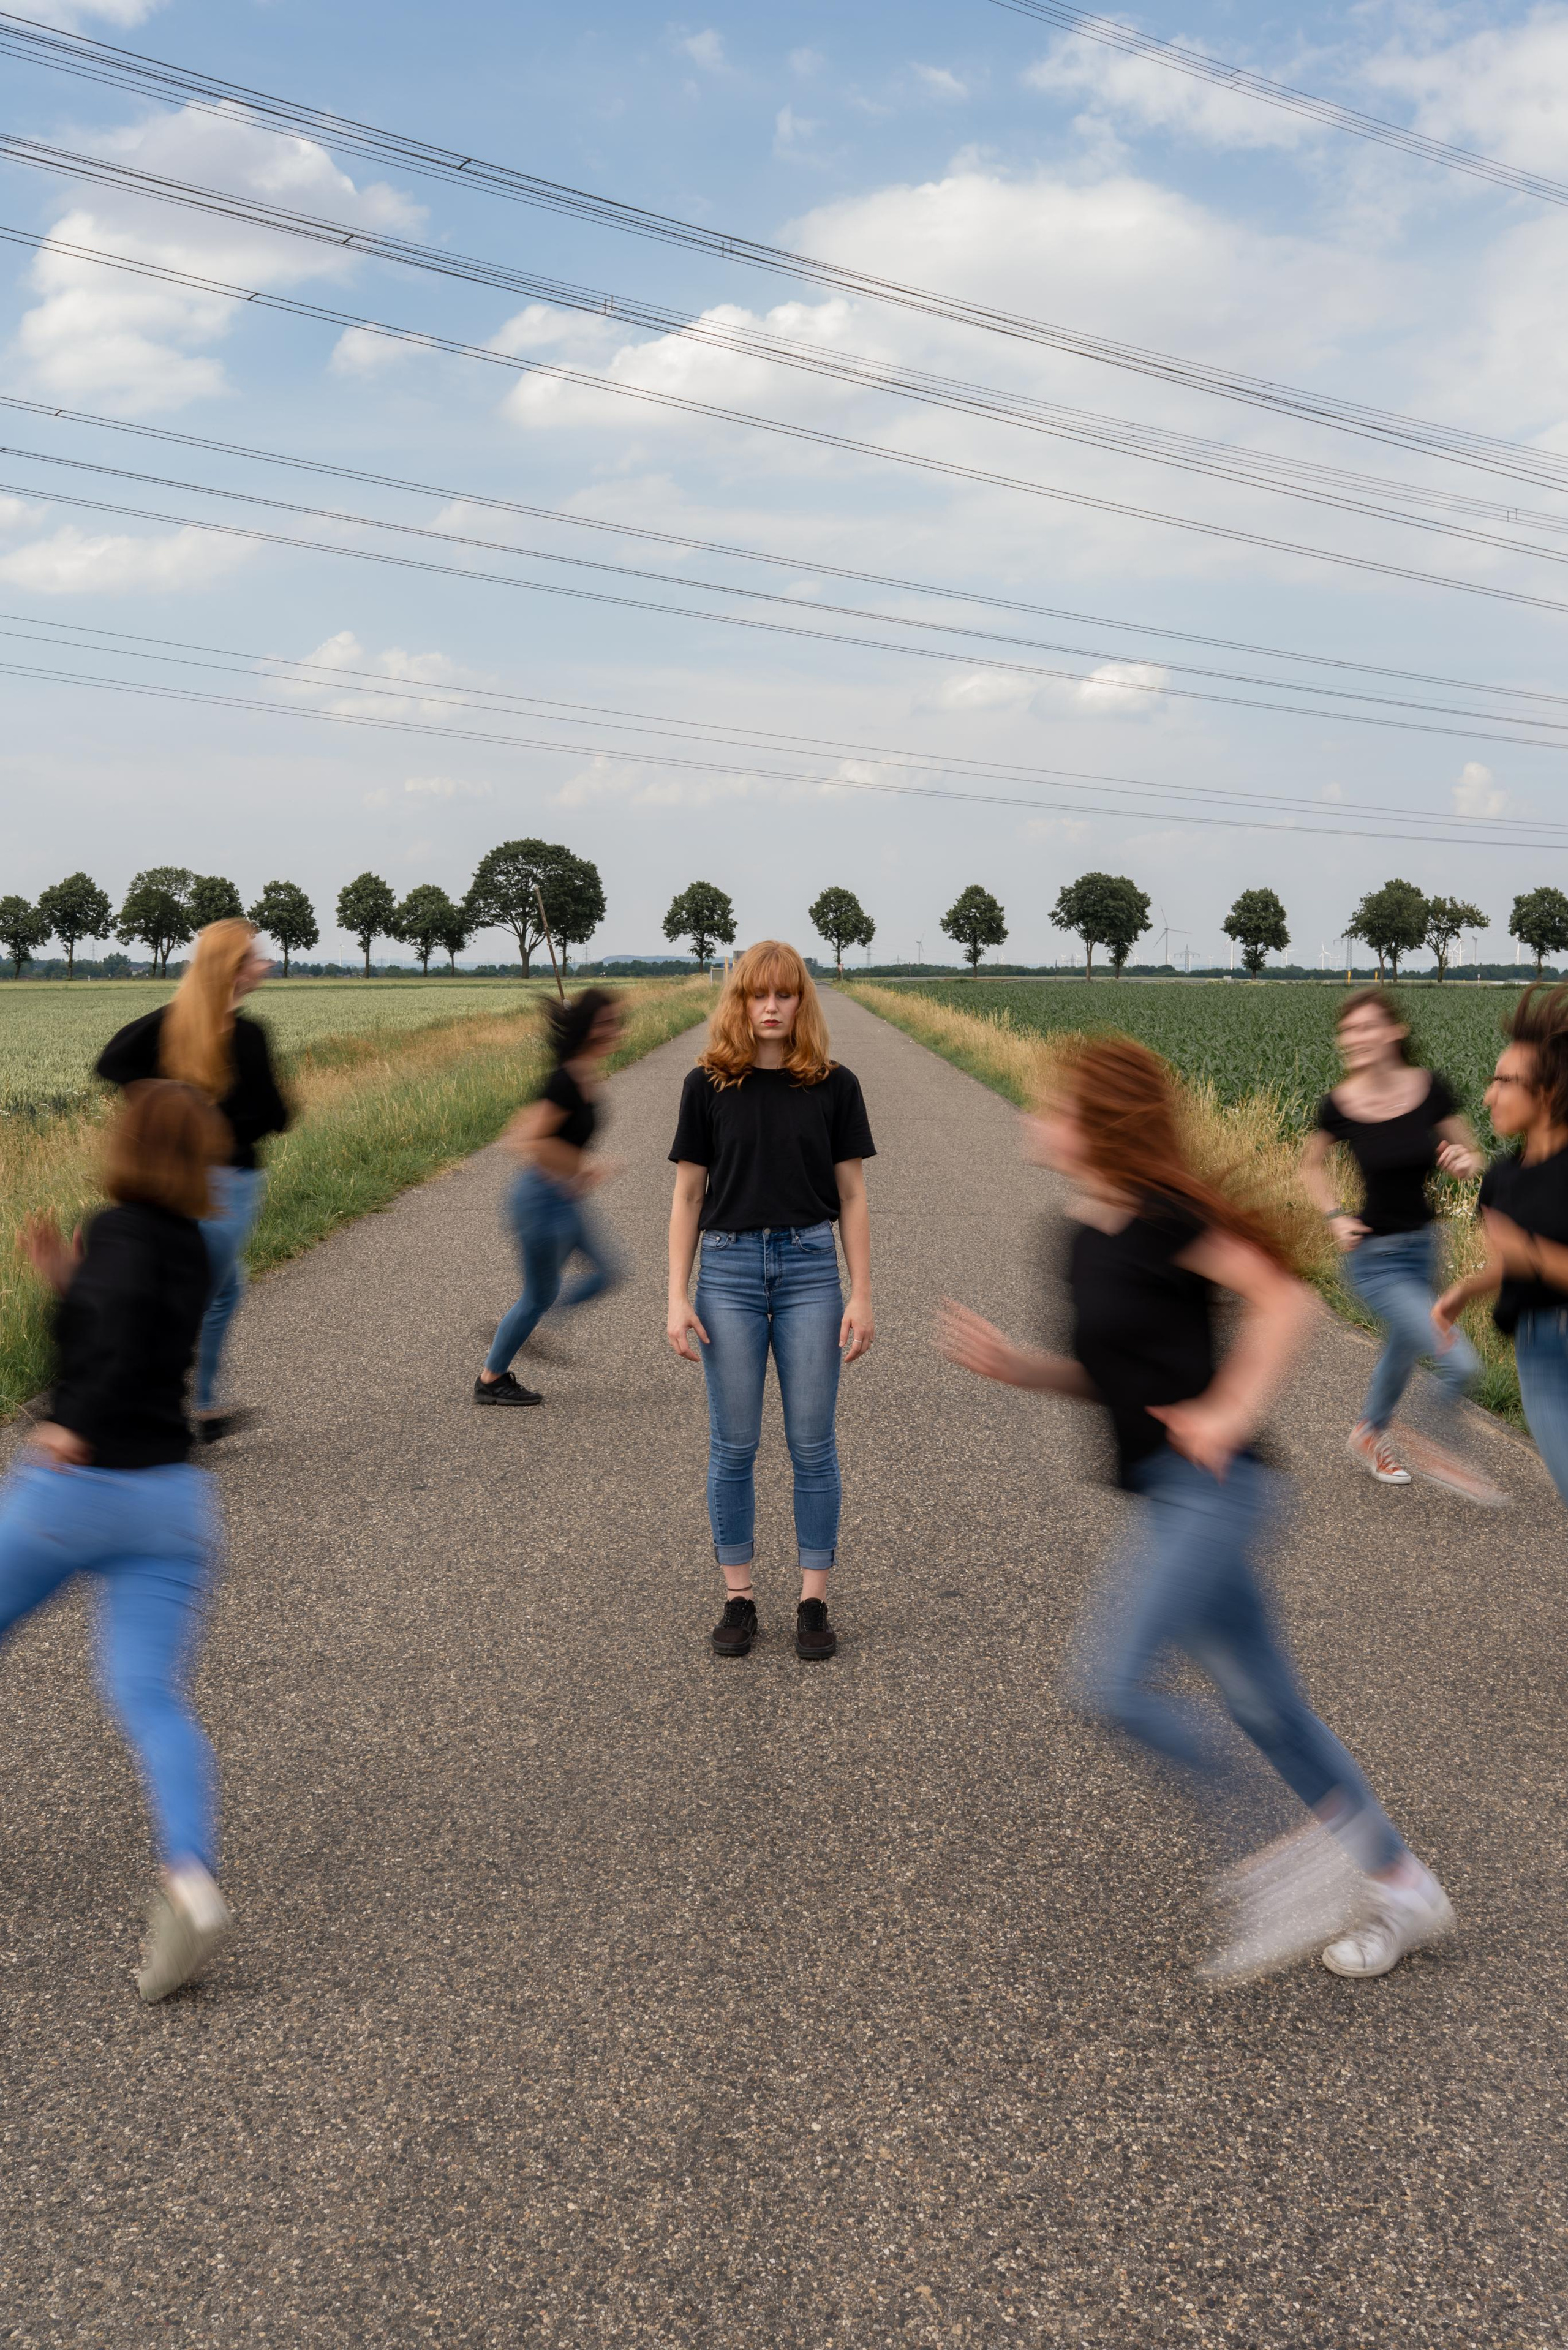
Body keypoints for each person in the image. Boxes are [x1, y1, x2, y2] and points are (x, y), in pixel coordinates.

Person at [940, 1034, 1453, 1982]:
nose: (1031, 1114)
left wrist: (1228, 1410)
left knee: (1112, 1683)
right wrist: (1022, 1368)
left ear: (1096, 1122)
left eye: (1047, 1101)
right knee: (1270, 1709)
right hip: (1172, 1493)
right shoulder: (1074, 1237)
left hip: (1218, 1492)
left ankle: (1277, 1858)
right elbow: (1113, 1377)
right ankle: (1405, 1885)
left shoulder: (1165, 1217)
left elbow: (1284, 1302)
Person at [3, 1079, 235, 2002]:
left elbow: (113, 1328)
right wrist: (67, 1277)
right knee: (152, 1699)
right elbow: (129, 1323)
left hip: (80, 1489)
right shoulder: (192, 1243)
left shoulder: (119, 1230)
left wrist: (73, 1422)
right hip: (172, 1505)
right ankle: (189, 1877)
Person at [667, 941, 874, 1663]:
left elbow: (851, 1195)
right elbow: (688, 1194)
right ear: (739, 1001)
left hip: (812, 1270)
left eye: (784, 995)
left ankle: (813, 1600)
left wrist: (861, 1294)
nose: (771, 1007)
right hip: (725, 1272)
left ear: (801, 1002)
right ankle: (740, 1596)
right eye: (758, 995)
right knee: (734, 1445)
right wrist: (675, 1296)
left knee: (812, 1445)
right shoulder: (706, 1085)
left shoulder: (834, 1086)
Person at [97, 920, 288, 1441]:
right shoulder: (247, 1035)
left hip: (174, 1180)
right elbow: (276, 1116)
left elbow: (112, 1062)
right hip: (229, 1186)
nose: (265, 965)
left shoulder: (171, 1022)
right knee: (191, 1299)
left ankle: (200, 1406)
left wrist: (166, 1118)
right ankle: (147, 1413)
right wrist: (217, 1124)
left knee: (221, 1287)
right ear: (233, 969)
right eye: (256, 958)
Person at [1302, 988, 1495, 1500]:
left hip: (1428, 1245)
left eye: (1368, 1027)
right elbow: (1310, 1165)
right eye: (1349, 1030)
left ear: (1395, 1031)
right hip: (1374, 1258)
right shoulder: (1339, 1105)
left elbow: (1471, 1153)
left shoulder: (1430, 1088)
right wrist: (1335, 1217)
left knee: (1404, 1346)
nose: (1356, 1038)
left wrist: (1463, 1162)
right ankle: (1432, 1441)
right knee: (1459, 1361)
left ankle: (1369, 1431)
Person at [1436, 982, 1568, 1503]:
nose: (1489, 1094)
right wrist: (1465, 1290)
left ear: (1551, 1091)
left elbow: (1523, 1253)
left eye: (1505, 1081)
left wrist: (1529, 1251)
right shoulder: (1502, 1180)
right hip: (1539, 1354)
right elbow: (1508, 1262)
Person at [474, 988, 627, 1407]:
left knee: (608, 1272)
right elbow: (522, 1138)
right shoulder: (564, 1079)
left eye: (617, 1021)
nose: (616, 1029)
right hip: (540, 1200)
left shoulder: (581, 1072)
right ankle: (492, 1377)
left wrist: (577, 1171)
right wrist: (583, 1166)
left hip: (565, 1198)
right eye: (606, 1022)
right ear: (588, 1030)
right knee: (537, 1297)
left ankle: (543, 1326)